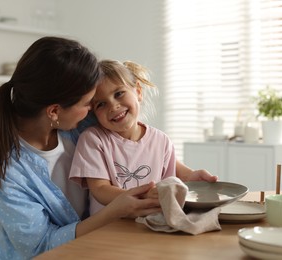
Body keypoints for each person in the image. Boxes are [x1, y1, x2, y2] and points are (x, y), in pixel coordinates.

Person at [0, 37, 216, 259]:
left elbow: (139, 151)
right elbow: (41, 246)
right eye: (89, 104)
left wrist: (187, 174)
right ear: (54, 111)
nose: (96, 111)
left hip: (101, 243)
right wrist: (115, 210)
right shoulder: (6, 171)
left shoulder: (77, 124)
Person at [69, 60, 217, 215]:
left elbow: (171, 179)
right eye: (101, 104)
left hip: (150, 225)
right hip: (109, 228)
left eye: (119, 94)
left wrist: (192, 177)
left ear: (138, 91)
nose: (113, 106)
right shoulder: (93, 140)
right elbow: (100, 189)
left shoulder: (161, 141)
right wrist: (142, 196)